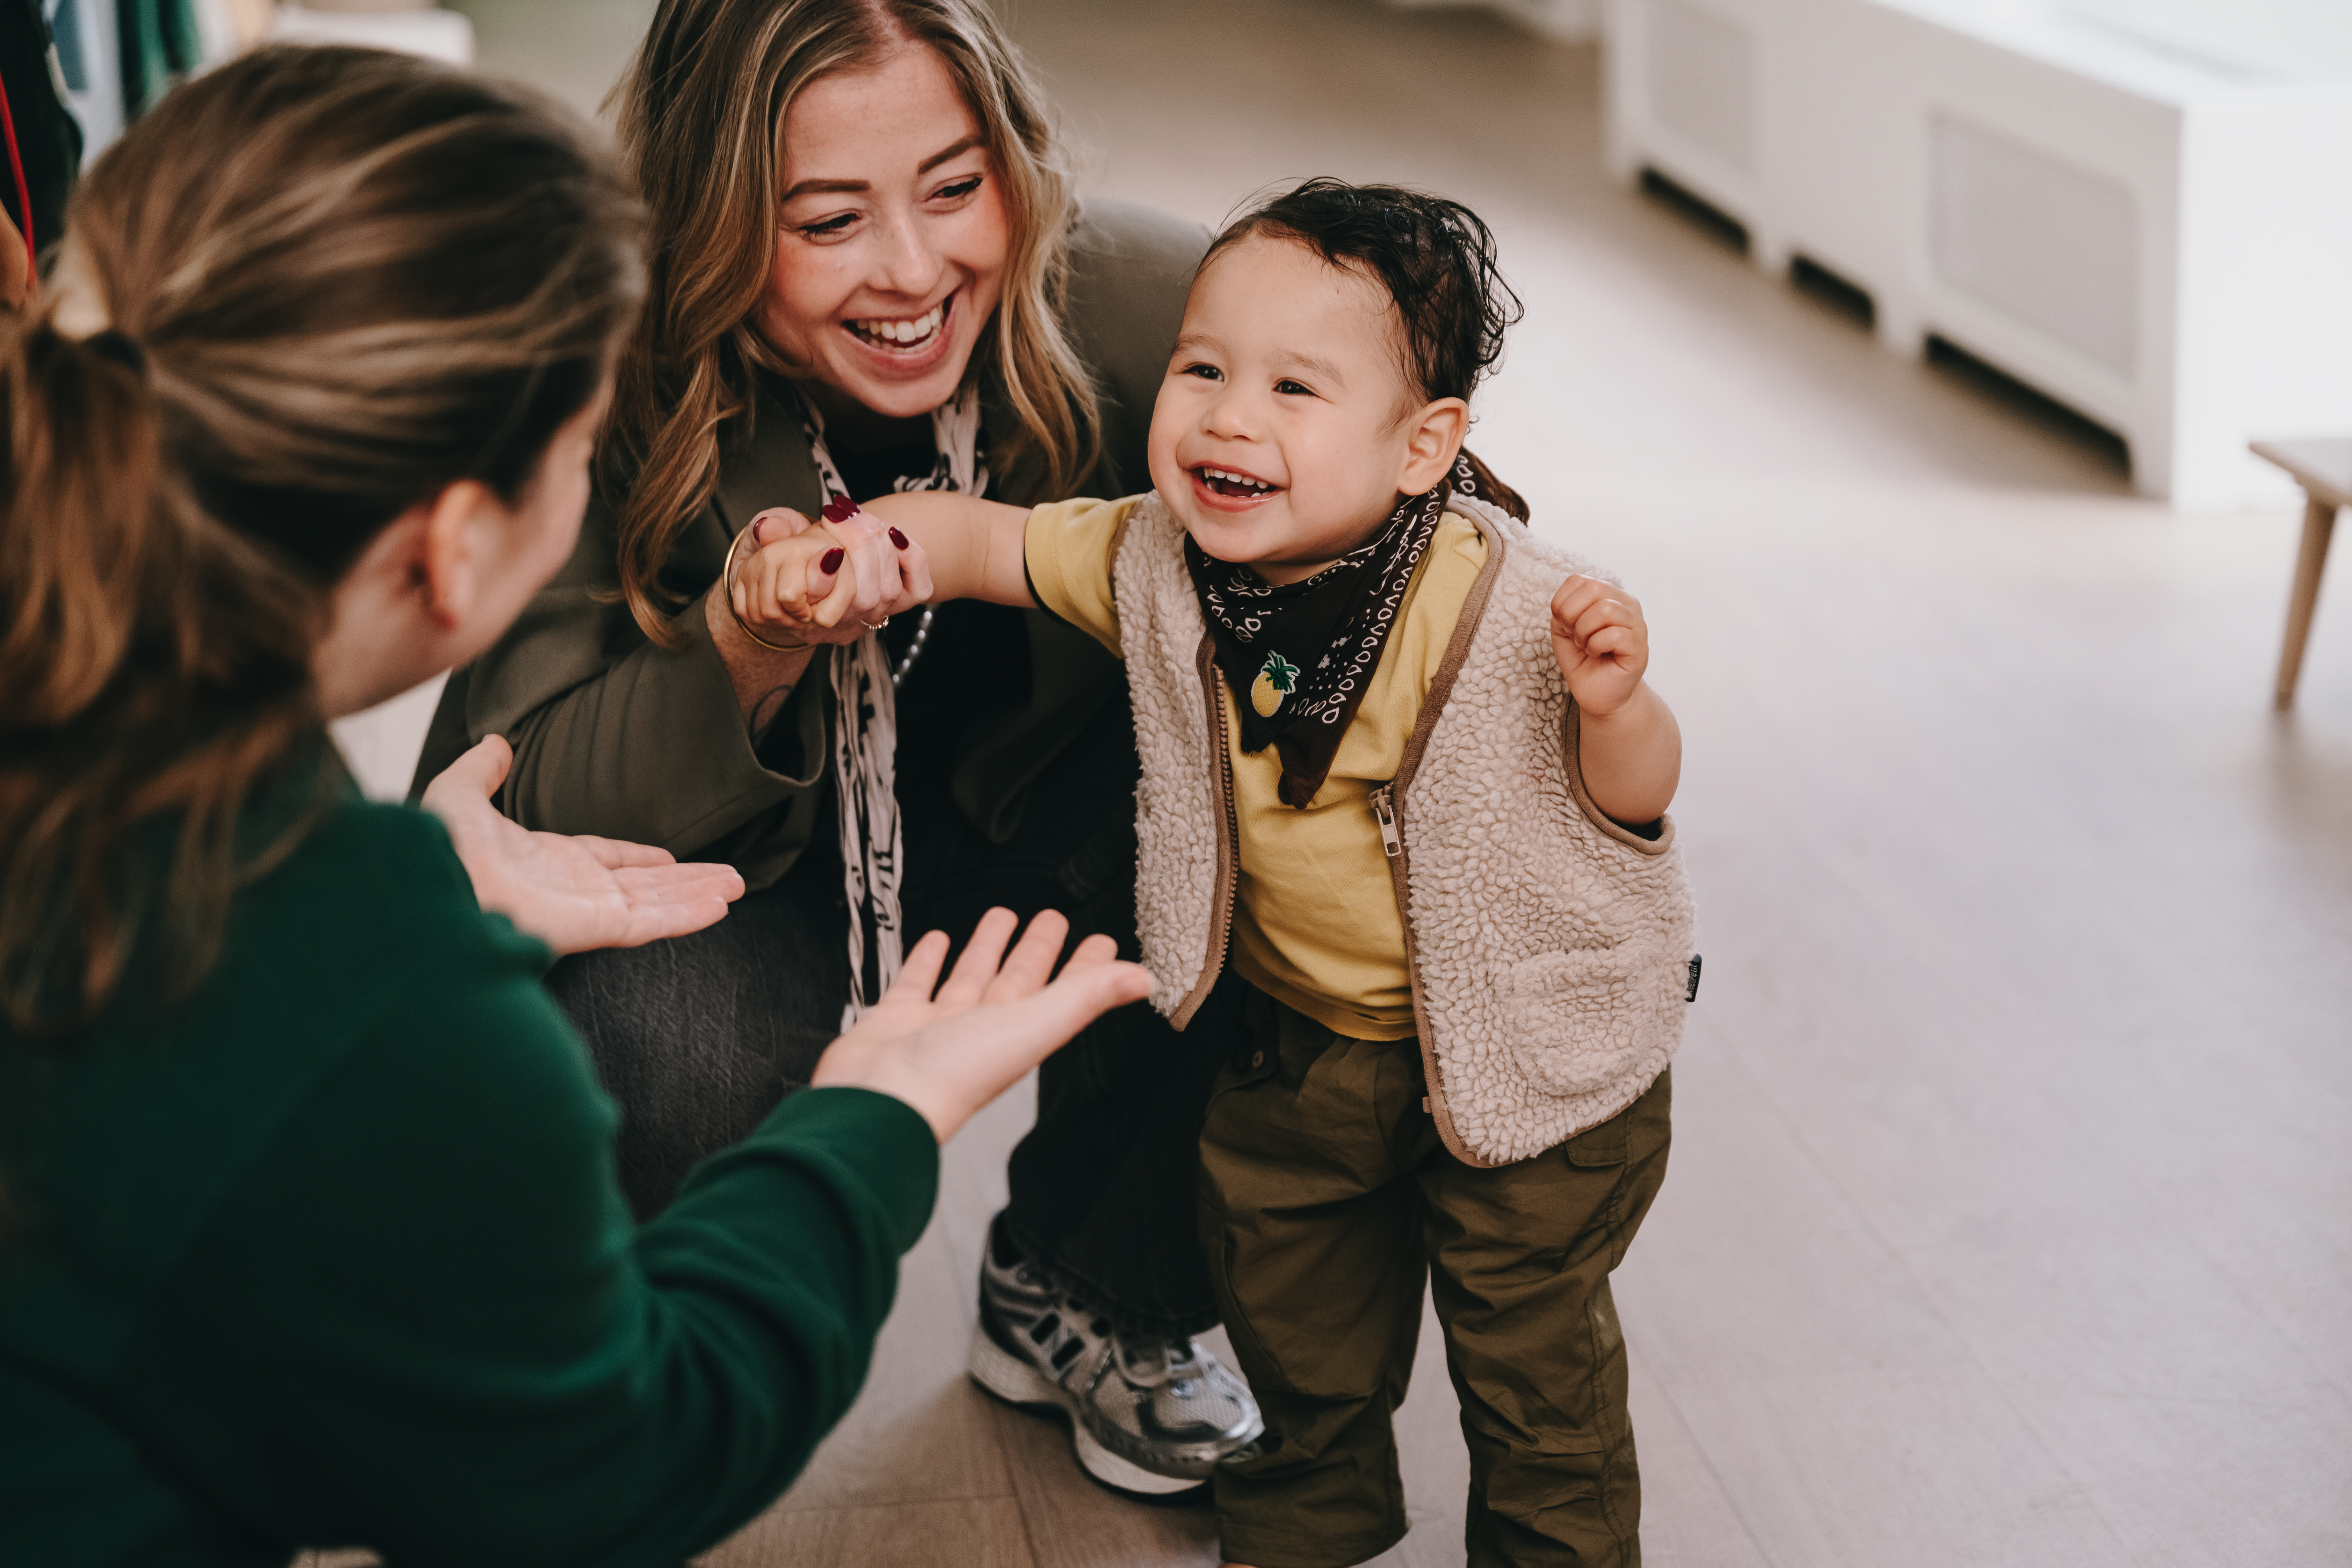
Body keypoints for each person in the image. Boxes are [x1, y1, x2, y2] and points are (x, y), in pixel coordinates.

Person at [0, 46, 1150, 1568]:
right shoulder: (394, 1024)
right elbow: (610, 1466)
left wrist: (401, 886)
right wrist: (875, 1117)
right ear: (459, 550)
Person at [763, 179, 1701, 1567]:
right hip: (1310, 1049)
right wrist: (869, 555)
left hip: (1534, 1060)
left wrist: (1616, 708)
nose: (1226, 415)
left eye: (1294, 389)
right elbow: (990, 540)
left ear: (1421, 446)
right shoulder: (1154, 553)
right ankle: (1303, 1534)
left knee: (1532, 1371)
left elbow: (1635, 806)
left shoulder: (1503, 607)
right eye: (1203, 366)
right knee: (1294, 1328)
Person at [408, 0, 1261, 1494]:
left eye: (954, 185)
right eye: (826, 220)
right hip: (739, 877)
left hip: (1054, 828)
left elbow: (1410, 559)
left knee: (1282, 815)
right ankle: (636, 1336)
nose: (917, 272)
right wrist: (748, 646)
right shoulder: (596, 365)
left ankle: (1089, 1278)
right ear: (711, 222)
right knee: (666, 1056)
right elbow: (511, 799)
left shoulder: (1167, 308)